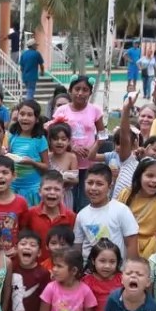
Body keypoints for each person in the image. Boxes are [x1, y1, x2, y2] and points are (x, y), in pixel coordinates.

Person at [51, 76, 105, 212]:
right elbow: (54, 134)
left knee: (85, 200)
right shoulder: (62, 110)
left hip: (88, 164)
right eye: (77, 89)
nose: (80, 93)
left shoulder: (95, 110)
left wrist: (94, 149)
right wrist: (71, 147)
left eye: (85, 90)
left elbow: (102, 134)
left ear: (90, 93)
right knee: (68, 198)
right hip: (67, 163)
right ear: (70, 91)